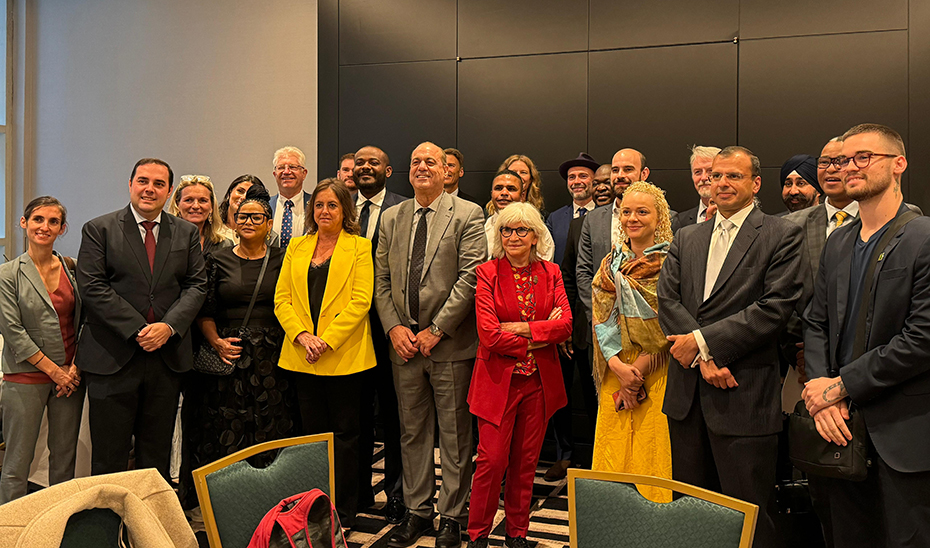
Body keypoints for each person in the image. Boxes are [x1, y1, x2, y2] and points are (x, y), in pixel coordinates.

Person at [657, 146, 803, 548]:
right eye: (715, 176)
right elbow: (667, 300)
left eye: (733, 176)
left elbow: (774, 309)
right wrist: (704, 356)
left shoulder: (782, 233)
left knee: (747, 515)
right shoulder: (686, 236)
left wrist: (703, 344)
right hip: (687, 400)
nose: (721, 183)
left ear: (755, 184)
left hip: (743, 394)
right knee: (689, 511)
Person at [802, 123, 930, 547]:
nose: (849, 167)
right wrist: (821, 394)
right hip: (837, 430)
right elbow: (816, 321)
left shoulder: (924, 237)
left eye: (863, 157)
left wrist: (839, 386)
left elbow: (922, 339)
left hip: (905, 436)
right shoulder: (838, 242)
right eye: (842, 159)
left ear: (899, 165)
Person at [374, 142, 486, 548]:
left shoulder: (468, 214)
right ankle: (417, 511)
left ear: (446, 170)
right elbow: (381, 279)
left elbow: (470, 279)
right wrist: (394, 329)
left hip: (449, 345)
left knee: (455, 436)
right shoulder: (392, 217)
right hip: (403, 346)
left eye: (430, 162)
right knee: (411, 433)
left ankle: (452, 516)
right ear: (407, 171)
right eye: (415, 162)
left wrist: (436, 329)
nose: (422, 167)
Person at [76, 158, 207, 480]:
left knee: (155, 458)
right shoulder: (99, 229)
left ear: (170, 191)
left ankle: (147, 528)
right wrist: (138, 329)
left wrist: (168, 327)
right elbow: (92, 287)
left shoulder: (186, 233)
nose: (150, 189)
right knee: (109, 458)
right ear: (130, 184)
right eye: (143, 181)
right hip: (112, 358)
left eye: (159, 184)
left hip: (166, 359)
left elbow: (196, 285)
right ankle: (106, 529)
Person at [181, 185, 297, 513]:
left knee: (270, 425)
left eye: (256, 217)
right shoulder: (215, 258)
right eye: (241, 216)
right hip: (226, 356)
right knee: (222, 428)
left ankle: (270, 498)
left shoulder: (283, 257)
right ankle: (225, 500)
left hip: (271, 360)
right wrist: (216, 341)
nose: (247, 221)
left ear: (269, 223)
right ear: (232, 222)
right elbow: (204, 309)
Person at [467, 203, 572, 548]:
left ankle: (517, 534)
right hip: (498, 382)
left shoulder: (552, 273)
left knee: (525, 464)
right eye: (506, 230)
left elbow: (566, 325)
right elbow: (488, 334)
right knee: (491, 462)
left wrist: (524, 327)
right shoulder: (487, 273)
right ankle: (477, 535)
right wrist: (538, 336)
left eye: (521, 230)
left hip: (538, 384)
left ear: (535, 236)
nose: (513, 237)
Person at [274, 178, 375, 529]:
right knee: (310, 439)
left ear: (344, 210)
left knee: (346, 437)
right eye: (319, 205)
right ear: (310, 210)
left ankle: (344, 510)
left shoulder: (360, 247)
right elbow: (281, 299)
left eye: (332, 205)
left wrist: (326, 340)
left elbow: (361, 301)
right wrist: (302, 336)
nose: (324, 211)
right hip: (302, 355)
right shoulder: (297, 247)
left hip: (344, 356)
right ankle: (313, 507)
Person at [590, 182, 674, 502]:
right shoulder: (610, 264)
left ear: (659, 217)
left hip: (657, 370)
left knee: (651, 452)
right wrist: (618, 368)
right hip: (615, 367)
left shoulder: (673, 262)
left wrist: (634, 374)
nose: (632, 218)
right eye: (626, 211)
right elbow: (601, 318)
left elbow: (670, 325)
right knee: (612, 451)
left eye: (642, 211)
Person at [0, 197, 84, 504]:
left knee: (64, 462)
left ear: (62, 229)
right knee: (16, 466)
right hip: (25, 380)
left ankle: (58, 525)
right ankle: (9, 530)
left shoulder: (73, 270)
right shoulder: (7, 274)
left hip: (70, 379)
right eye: (37, 219)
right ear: (24, 223)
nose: (44, 227)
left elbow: (84, 322)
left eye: (52, 222)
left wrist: (74, 368)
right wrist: (55, 372)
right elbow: (13, 332)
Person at [353, 145, 408, 522]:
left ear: (388, 171)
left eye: (374, 162)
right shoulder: (339, 207)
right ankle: (355, 493)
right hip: (348, 331)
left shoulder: (403, 208)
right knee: (354, 416)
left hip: (389, 326)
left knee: (395, 416)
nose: (366, 167)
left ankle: (397, 494)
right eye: (360, 162)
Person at [543, 152, 599, 481]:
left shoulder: (610, 217)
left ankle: (593, 456)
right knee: (560, 393)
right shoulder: (556, 218)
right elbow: (554, 269)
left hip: (597, 320)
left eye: (583, 176)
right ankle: (564, 455)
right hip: (563, 319)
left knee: (594, 394)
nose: (577, 182)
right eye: (572, 178)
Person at [577, 148, 651, 330]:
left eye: (628, 169)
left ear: (644, 174)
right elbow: (583, 273)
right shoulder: (592, 219)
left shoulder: (665, 218)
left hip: (649, 325)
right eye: (615, 170)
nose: (620, 175)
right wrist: (602, 318)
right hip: (601, 325)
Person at [485, 170, 555, 261]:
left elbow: (544, 267)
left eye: (511, 189)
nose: (504, 193)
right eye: (498, 188)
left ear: (522, 196)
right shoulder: (484, 226)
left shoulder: (537, 228)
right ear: (491, 194)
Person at [167, 174, 232, 255]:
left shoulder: (224, 246)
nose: (196, 206)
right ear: (177, 204)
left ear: (211, 206)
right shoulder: (164, 242)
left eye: (203, 200)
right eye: (188, 200)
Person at [269, 146, 314, 248]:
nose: (286, 172)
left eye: (293, 167)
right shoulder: (265, 206)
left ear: (304, 173)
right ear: (275, 174)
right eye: (281, 167)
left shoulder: (315, 205)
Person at [217, 174, 280, 246]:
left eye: (250, 194)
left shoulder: (269, 237)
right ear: (229, 193)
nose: (243, 197)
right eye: (240, 191)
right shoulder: (213, 227)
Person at [677, 146, 722, 227]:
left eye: (710, 171)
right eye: (698, 172)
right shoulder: (680, 221)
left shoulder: (741, 215)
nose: (704, 177)